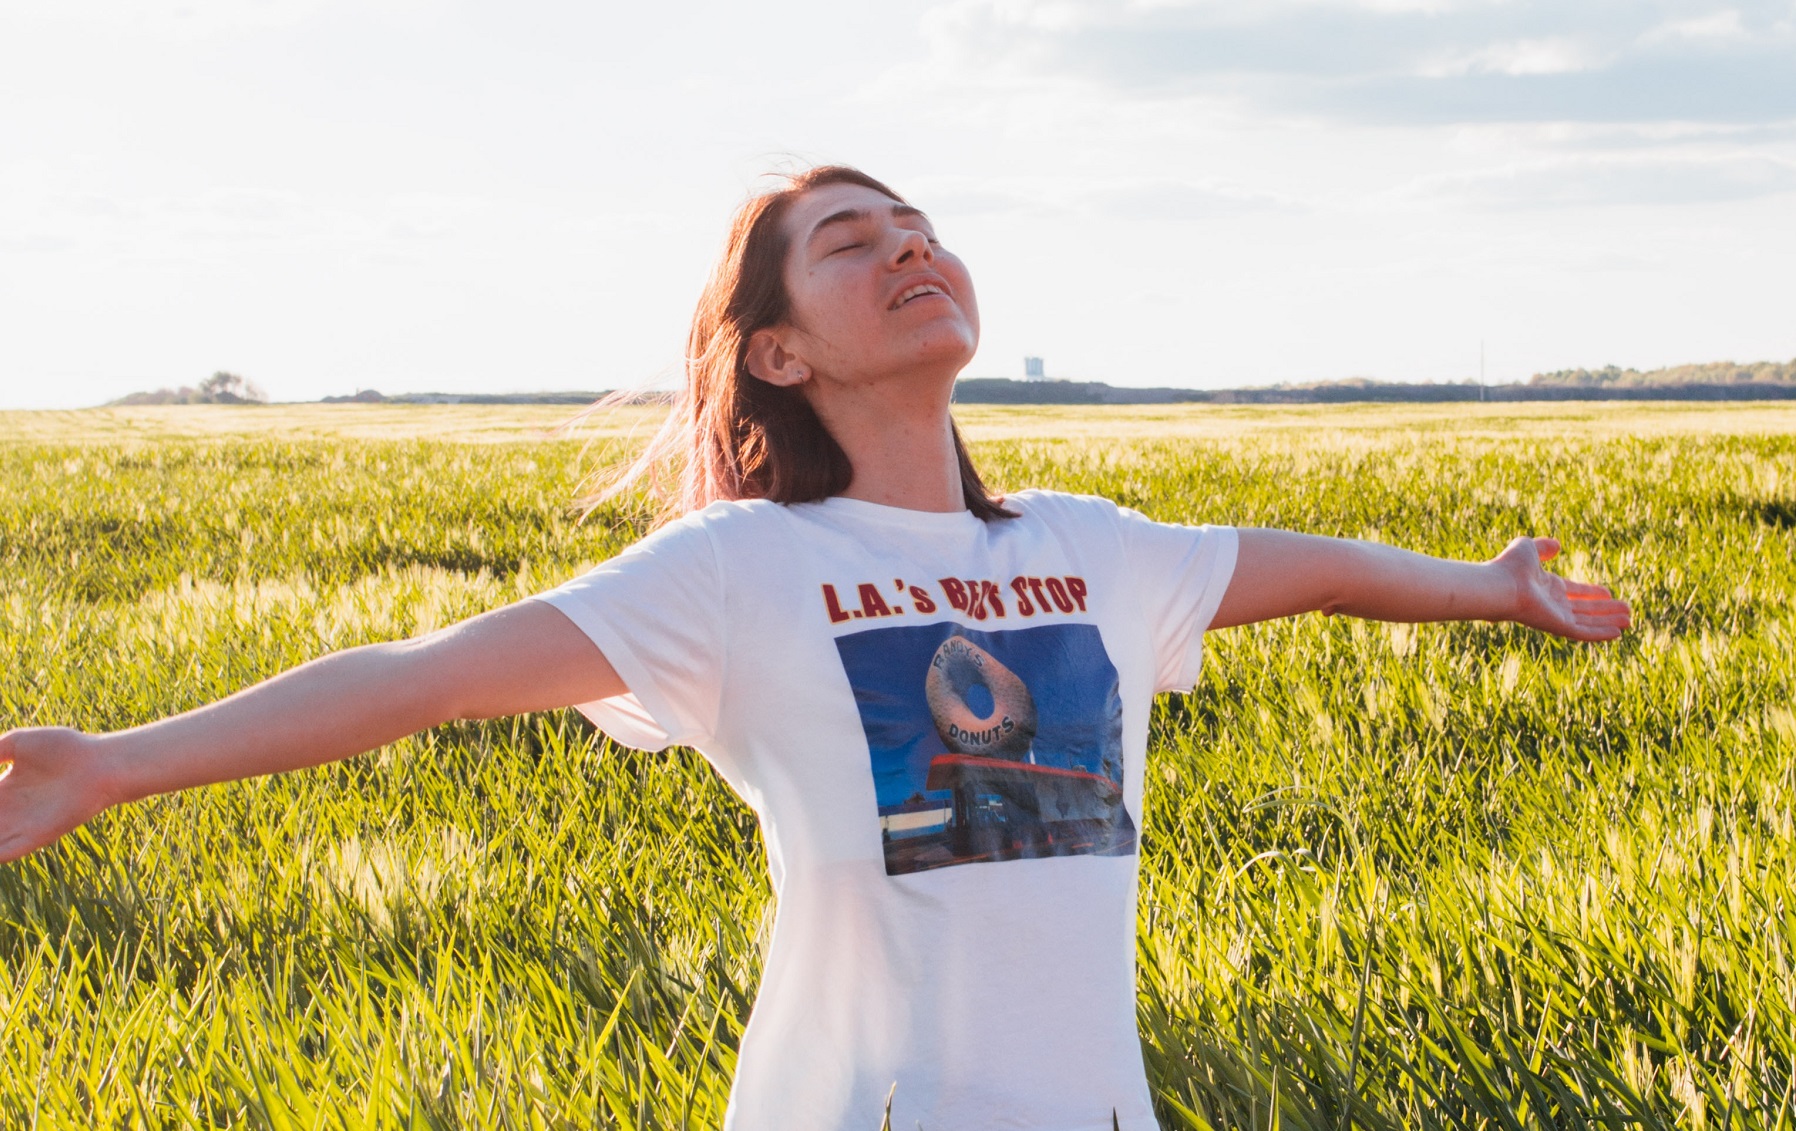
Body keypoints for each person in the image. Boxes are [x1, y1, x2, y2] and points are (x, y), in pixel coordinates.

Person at [0, 165, 1630, 1130]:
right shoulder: (743, 571)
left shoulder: (1089, 550)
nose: (910, 246)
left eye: (918, 224)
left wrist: (1496, 588)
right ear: (776, 349)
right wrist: (119, 764)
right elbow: (421, 679)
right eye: (852, 242)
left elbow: (1320, 572)